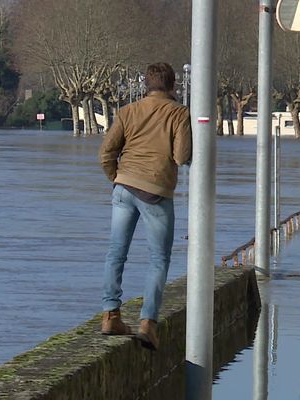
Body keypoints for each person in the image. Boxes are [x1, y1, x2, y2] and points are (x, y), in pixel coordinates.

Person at [98, 62, 192, 351]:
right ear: (173, 85)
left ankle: (111, 314)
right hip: (156, 191)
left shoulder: (127, 111)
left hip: (124, 187)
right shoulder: (179, 113)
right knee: (159, 259)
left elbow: (106, 152)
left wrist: (117, 178)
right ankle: (148, 323)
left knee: (116, 252)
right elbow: (181, 156)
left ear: (145, 85)